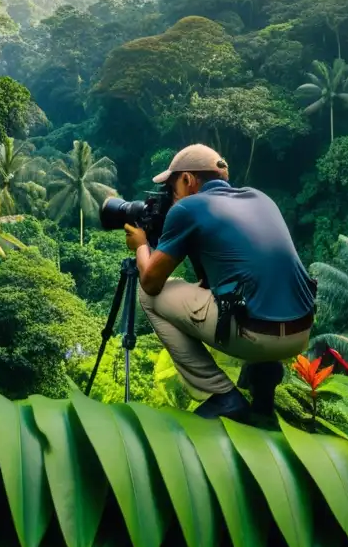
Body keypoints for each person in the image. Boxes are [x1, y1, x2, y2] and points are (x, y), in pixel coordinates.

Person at [124, 143, 317, 421]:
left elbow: (151, 282)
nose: (171, 195)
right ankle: (264, 384)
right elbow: (216, 278)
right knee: (255, 289)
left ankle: (221, 395)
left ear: (188, 179)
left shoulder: (188, 208)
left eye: (172, 187)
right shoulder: (259, 198)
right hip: (301, 332)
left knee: (148, 297)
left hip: (256, 336)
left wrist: (142, 245)